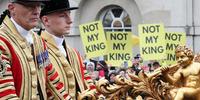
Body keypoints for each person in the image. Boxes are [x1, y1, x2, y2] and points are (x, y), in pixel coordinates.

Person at [0, 0, 71, 99]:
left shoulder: (38, 41)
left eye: (39, 6)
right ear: (12, 8)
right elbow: (5, 93)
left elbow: (53, 83)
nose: (37, 11)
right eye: (30, 6)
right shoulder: (2, 41)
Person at [39, 0, 97, 99]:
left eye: (69, 14)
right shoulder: (38, 51)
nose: (70, 20)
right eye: (62, 16)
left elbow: (87, 81)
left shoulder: (73, 52)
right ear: (46, 20)